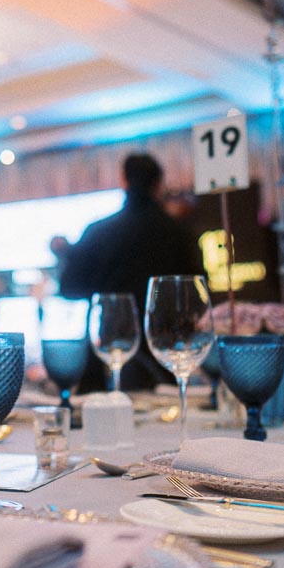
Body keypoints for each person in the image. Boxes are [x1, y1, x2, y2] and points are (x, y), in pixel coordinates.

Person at [59, 153, 203, 391]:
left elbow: (69, 287)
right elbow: (197, 296)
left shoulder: (98, 232)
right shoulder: (179, 233)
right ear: (159, 184)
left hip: (107, 357)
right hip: (166, 358)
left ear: (123, 180)